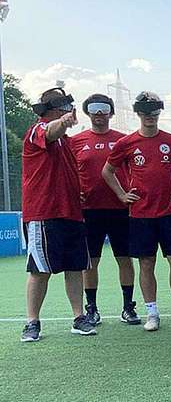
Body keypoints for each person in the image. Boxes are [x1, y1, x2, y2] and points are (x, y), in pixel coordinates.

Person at [102, 91, 171, 331]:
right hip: (140, 215)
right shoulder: (126, 143)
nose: (150, 116)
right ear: (138, 113)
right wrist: (121, 194)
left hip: (169, 213)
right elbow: (107, 171)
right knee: (146, 263)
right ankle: (152, 314)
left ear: (159, 113)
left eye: (155, 112)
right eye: (146, 112)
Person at [20, 88, 95, 342]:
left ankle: (79, 318)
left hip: (72, 213)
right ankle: (32, 322)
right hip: (44, 213)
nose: (68, 112)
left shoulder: (68, 142)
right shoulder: (37, 131)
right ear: (54, 109)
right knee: (40, 270)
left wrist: (78, 192)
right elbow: (50, 132)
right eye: (64, 108)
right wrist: (62, 123)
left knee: (75, 268)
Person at [71, 94, 137, 327]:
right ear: (88, 112)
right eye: (94, 109)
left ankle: (128, 307)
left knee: (125, 259)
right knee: (91, 261)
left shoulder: (124, 140)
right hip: (89, 210)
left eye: (104, 108)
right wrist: (72, 192)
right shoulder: (75, 141)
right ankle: (91, 309)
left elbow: (136, 170)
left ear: (111, 112)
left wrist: (131, 194)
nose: (99, 113)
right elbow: (67, 172)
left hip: (120, 209)